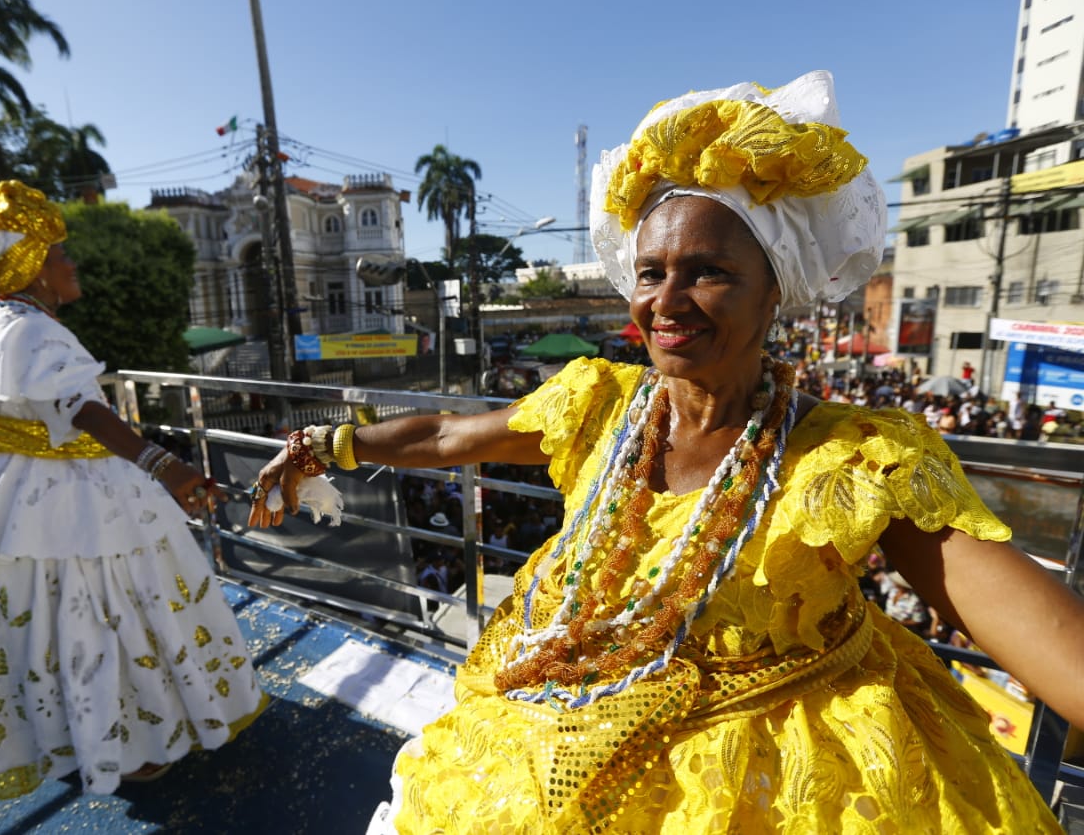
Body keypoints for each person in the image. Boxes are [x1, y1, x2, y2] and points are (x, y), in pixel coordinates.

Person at [252, 72, 1084, 832]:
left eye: (709, 271)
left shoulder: (850, 460)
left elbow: (1043, 635)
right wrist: (324, 445)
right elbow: (445, 433)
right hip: (553, 716)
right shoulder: (600, 403)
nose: (667, 301)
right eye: (650, 271)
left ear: (775, 290)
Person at [0, 181, 266, 798]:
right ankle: (127, 746)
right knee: (96, 617)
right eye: (58, 256)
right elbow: (82, 410)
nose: (71, 264)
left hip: (26, 493)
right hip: (60, 500)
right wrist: (165, 465)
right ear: (31, 269)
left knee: (44, 625)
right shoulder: (30, 332)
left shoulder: (3, 325)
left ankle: (85, 739)